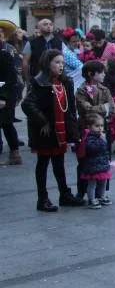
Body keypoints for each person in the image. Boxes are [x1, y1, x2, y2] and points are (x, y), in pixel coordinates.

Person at [22, 49, 85, 212]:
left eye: (62, 62)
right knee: (43, 163)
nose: (61, 66)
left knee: (59, 162)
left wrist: (74, 130)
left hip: (61, 128)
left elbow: (70, 109)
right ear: (47, 63)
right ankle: (42, 199)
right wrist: (42, 121)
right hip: (46, 130)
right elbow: (27, 104)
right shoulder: (39, 82)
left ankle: (64, 194)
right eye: (57, 62)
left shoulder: (66, 82)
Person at [76, 113, 112, 208]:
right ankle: (91, 199)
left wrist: (107, 160)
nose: (100, 128)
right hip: (93, 165)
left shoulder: (100, 136)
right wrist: (102, 140)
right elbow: (93, 148)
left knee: (104, 181)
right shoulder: (89, 137)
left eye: (101, 126)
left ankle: (101, 196)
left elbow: (105, 151)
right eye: (97, 126)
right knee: (92, 183)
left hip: (102, 164)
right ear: (89, 126)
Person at [0, 23, 22, 165]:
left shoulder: (5, 54)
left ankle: (15, 155)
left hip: (5, 94)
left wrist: (3, 98)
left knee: (6, 123)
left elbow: (9, 78)